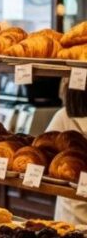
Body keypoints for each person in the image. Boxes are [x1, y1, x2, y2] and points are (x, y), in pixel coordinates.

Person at [48, 79, 87, 223]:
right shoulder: (63, 116)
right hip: (70, 211)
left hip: (69, 213)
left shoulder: (62, 116)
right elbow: (45, 152)